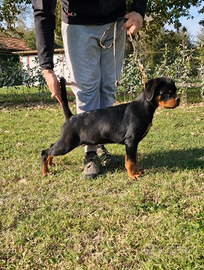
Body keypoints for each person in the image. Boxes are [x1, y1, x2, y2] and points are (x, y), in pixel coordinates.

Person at [32, 0, 148, 179]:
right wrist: (46, 68)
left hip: (116, 20)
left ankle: (100, 145)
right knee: (87, 90)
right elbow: (42, 9)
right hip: (77, 21)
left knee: (109, 86)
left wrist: (138, 10)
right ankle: (90, 154)